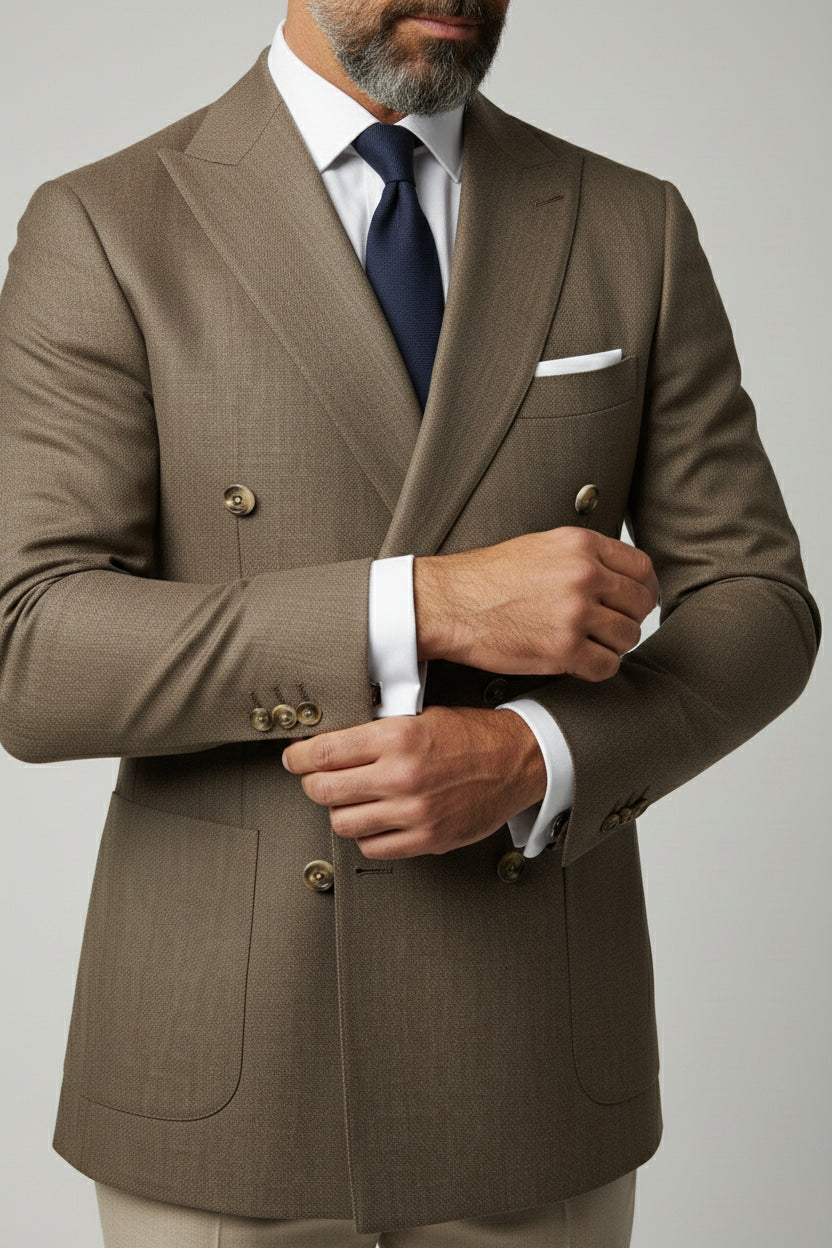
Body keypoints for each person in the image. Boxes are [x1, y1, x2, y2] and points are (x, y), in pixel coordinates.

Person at [0, 2, 820, 1246]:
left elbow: (758, 603)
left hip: (529, 1056)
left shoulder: (624, 221)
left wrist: (538, 754)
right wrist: (424, 602)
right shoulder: (108, 222)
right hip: (224, 1065)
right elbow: (33, 647)